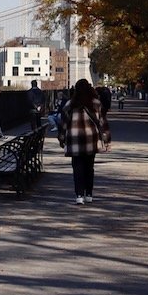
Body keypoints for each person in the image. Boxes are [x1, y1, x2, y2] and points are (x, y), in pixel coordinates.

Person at [56, 78, 112, 206]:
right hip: (90, 139)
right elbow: (103, 123)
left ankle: (79, 195)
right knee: (89, 168)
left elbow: (63, 124)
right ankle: (89, 194)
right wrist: (107, 140)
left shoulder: (70, 104)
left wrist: (62, 138)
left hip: (74, 139)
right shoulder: (96, 103)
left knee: (77, 168)